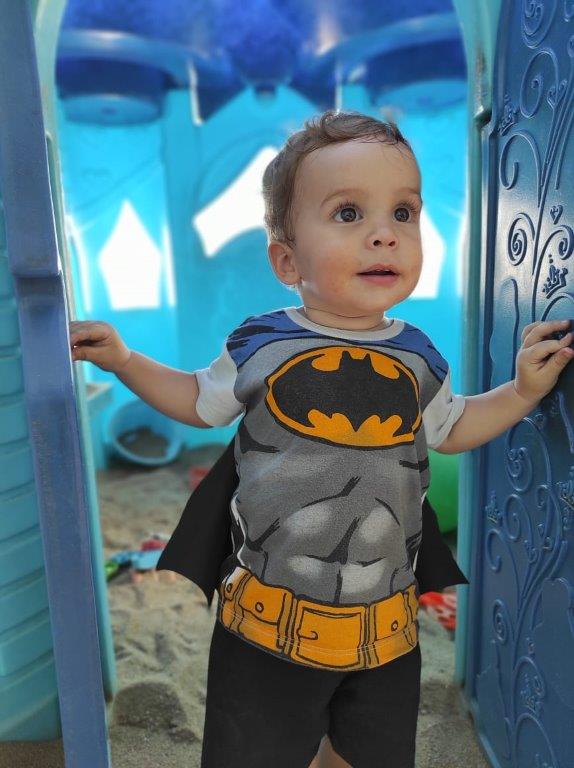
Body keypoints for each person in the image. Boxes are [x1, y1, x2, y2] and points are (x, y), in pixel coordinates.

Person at [69, 110, 574, 768]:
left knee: (365, 750)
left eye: (403, 213)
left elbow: (451, 429)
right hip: (267, 627)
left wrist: (523, 393)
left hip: (386, 628)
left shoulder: (421, 357)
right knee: (259, 750)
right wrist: (124, 360)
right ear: (287, 259)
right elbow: (196, 400)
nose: (384, 235)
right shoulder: (262, 343)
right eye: (348, 214)